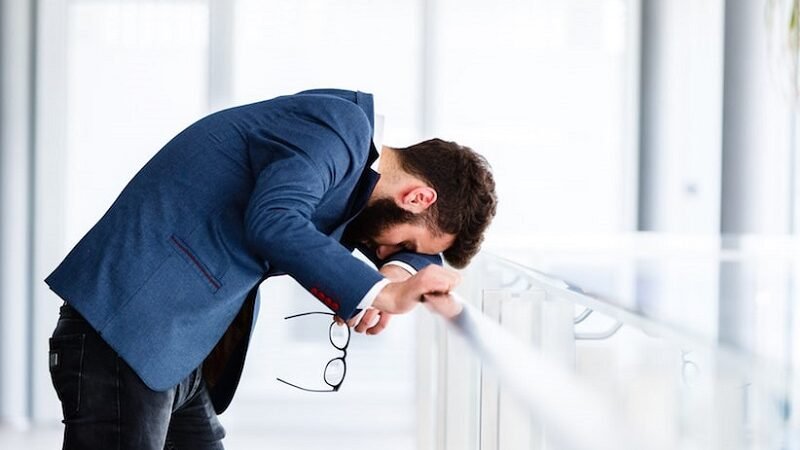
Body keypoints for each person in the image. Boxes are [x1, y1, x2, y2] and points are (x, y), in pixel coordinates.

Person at [45, 88, 497, 449]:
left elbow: (398, 245)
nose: (382, 254)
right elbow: (275, 222)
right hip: (127, 332)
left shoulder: (350, 174)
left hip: (176, 349)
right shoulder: (337, 130)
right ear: (417, 198)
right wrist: (381, 293)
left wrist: (399, 269)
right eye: (402, 245)